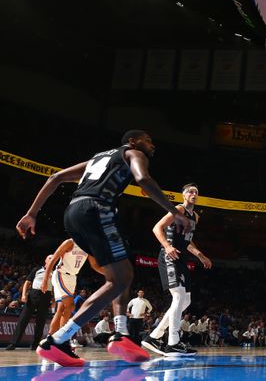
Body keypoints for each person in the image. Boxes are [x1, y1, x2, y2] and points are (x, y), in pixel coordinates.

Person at [15, 129, 189, 367]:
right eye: (148, 140)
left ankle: (120, 333)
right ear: (132, 141)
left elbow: (54, 178)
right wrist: (173, 212)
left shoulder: (98, 158)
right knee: (122, 276)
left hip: (73, 212)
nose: (152, 145)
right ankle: (59, 338)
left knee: (119, 274)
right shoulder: (134, 153)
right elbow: (143, 179)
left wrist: (31, 213)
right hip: (97, 210)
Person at [142, 183, 212, 357]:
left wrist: (200, 255)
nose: (193, 194)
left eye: (196, 192)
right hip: (170, 256)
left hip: (181, 258)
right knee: (178, 297)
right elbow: (157, 228)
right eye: (190, 191)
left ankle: (154, 336)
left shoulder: (195, 216)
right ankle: (172, 343)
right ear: (183, 195)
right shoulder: (178, 209)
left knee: (185, 302)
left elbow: (187, 241)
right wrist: (166, 246)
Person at [41, 238, 101, 336]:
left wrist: (107, 274)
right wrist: (45, 280)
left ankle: (51, 336)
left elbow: (94, 265)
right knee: (70, 305)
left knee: (61, 309)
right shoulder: (70, 243)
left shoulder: (87, 246)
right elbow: (53, 260)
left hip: (72, 277)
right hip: (62, 274)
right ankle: (61, 336)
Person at [5, 256, 53, 351]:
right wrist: (23, 295)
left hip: (46, 296)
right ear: (45, 260)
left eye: (53, 258)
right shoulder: (37, 269)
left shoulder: (55, 272)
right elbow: (27, 282)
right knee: (23, 319)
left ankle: (35, 345)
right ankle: (13, 343)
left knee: (41, 322)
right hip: (34, 294)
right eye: (50, 258)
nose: (52, 259)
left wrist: (54, 300)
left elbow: (56, 286)